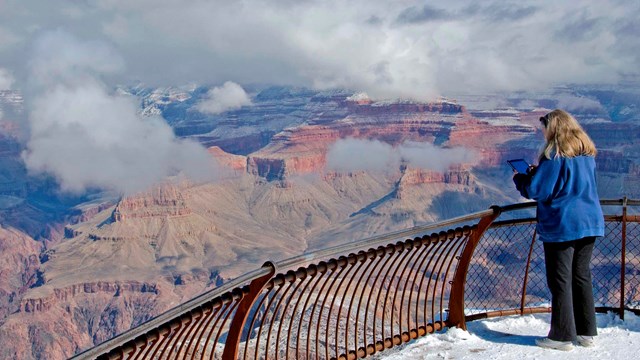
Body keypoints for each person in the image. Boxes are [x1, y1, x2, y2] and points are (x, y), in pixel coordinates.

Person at [512, 109, 604, 351]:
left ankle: (562, 337)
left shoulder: (554, 156)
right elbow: (567, 183)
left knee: (560, 280)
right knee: (581, 276)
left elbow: (537, 191)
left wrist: (521, 179)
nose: (543, 133)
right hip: (591, 222)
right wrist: (538, 174)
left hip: (563, 224)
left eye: (544, 128)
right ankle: (586, 332)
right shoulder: (586, 154)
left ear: (553, 128)